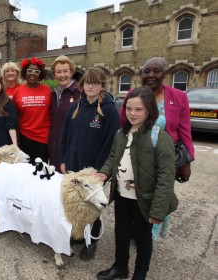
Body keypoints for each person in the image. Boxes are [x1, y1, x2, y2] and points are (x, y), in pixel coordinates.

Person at [96, 87, 178, 280]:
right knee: (121, 234)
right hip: (123, 197)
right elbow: (112, 158)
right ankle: (120, 267)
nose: (132, 113)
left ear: (149, 110)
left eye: (138, 109)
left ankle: (139, 275)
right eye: (129, 109)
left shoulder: (160, 137)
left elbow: (166, 178)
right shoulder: (121, 133)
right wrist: (103, 173)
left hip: (145, 200)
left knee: (143, 240)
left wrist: (157, 210)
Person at [59, 67, 120, 261]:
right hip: (72, 165)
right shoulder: (75, 107)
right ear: (82, 85)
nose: (90, 86)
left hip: (95, 170)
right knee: (76, 204)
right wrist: (62, 159)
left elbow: (111, 144)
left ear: (102, 85)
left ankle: (91, 242)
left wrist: (101, 171)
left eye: (95, 82)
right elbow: (65, 136)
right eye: (87, 82)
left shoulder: (109, 109)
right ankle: (77, 236)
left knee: (94, 208)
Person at [120, 56, 194, 182]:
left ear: (164, 74)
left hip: (165, 158)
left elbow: (185, 131)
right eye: (147, 71)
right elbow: (123, 124)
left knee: (162, 194)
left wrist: (187, 162)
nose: (151, 75)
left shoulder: (179, 96)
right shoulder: (132, 94)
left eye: (157, 71)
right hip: (135, 155)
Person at [12, 57, 52, 164]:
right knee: (27, 169)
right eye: (30, 70)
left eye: (36, 71)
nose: (32, 73)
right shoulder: (18, 91)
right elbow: (15, 116)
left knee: (41, 169)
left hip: (44, 137)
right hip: (25, 137)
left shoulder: (47, 90)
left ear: (40, 74)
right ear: (25, 72)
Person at [48, 55, 81, 172]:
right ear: (54, 74)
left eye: (65, 71)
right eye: (58, 72)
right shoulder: (52, 94)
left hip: (71, 149)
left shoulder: (80, 93)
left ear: (71, 72)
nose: (62, 75)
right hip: (53, 148)